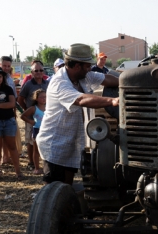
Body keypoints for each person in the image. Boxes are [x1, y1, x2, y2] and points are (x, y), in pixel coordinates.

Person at [37, 43, 119, 185]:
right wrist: (112, 101)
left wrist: (126, 83)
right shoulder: (60, 83)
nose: (90, 69)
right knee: (54, 189)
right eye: (88, 66)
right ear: (77, 66)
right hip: (54, 143)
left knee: (68, 184)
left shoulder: (84, 76)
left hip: (71, 141)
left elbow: (106, 79)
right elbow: (81, 99)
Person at [17, 59, 49, 170]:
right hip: (32, 118)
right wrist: (27, 109)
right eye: (36, 70)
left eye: (41, 70)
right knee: (31, 141)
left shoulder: (48, 83)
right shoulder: (28, 84)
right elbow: (20, 99)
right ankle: (31, 162)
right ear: (32, 73)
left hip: (46, 118)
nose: (39, 72)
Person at [20, 89, 47, 175]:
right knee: (36, 150)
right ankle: (37, 168)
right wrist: (31, 122)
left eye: (45, 97)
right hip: (37, 130)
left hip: (47, 130)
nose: (44, 99)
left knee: (46, 150)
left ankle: (47, 167)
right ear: (36, 98)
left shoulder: (49, 107)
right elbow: (23, 116)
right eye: (41, 97)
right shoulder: (33, 108)